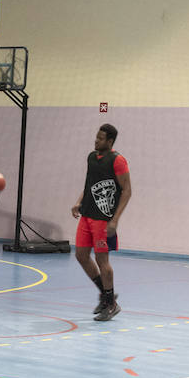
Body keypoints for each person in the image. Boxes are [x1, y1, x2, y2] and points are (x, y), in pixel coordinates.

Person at [70, 123, 131, 321]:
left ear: (110, 141)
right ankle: (108, 297)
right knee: (81, 255)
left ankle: (110, 304)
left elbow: (127, 191)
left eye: (100, 138)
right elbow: (89, 184)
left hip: (103, 219)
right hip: (87, 215)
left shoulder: (118, 161)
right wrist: (79, 202)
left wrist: (115, 220)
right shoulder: (91, 157)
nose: (96, 140)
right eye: (96, 137)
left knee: (102, 260)